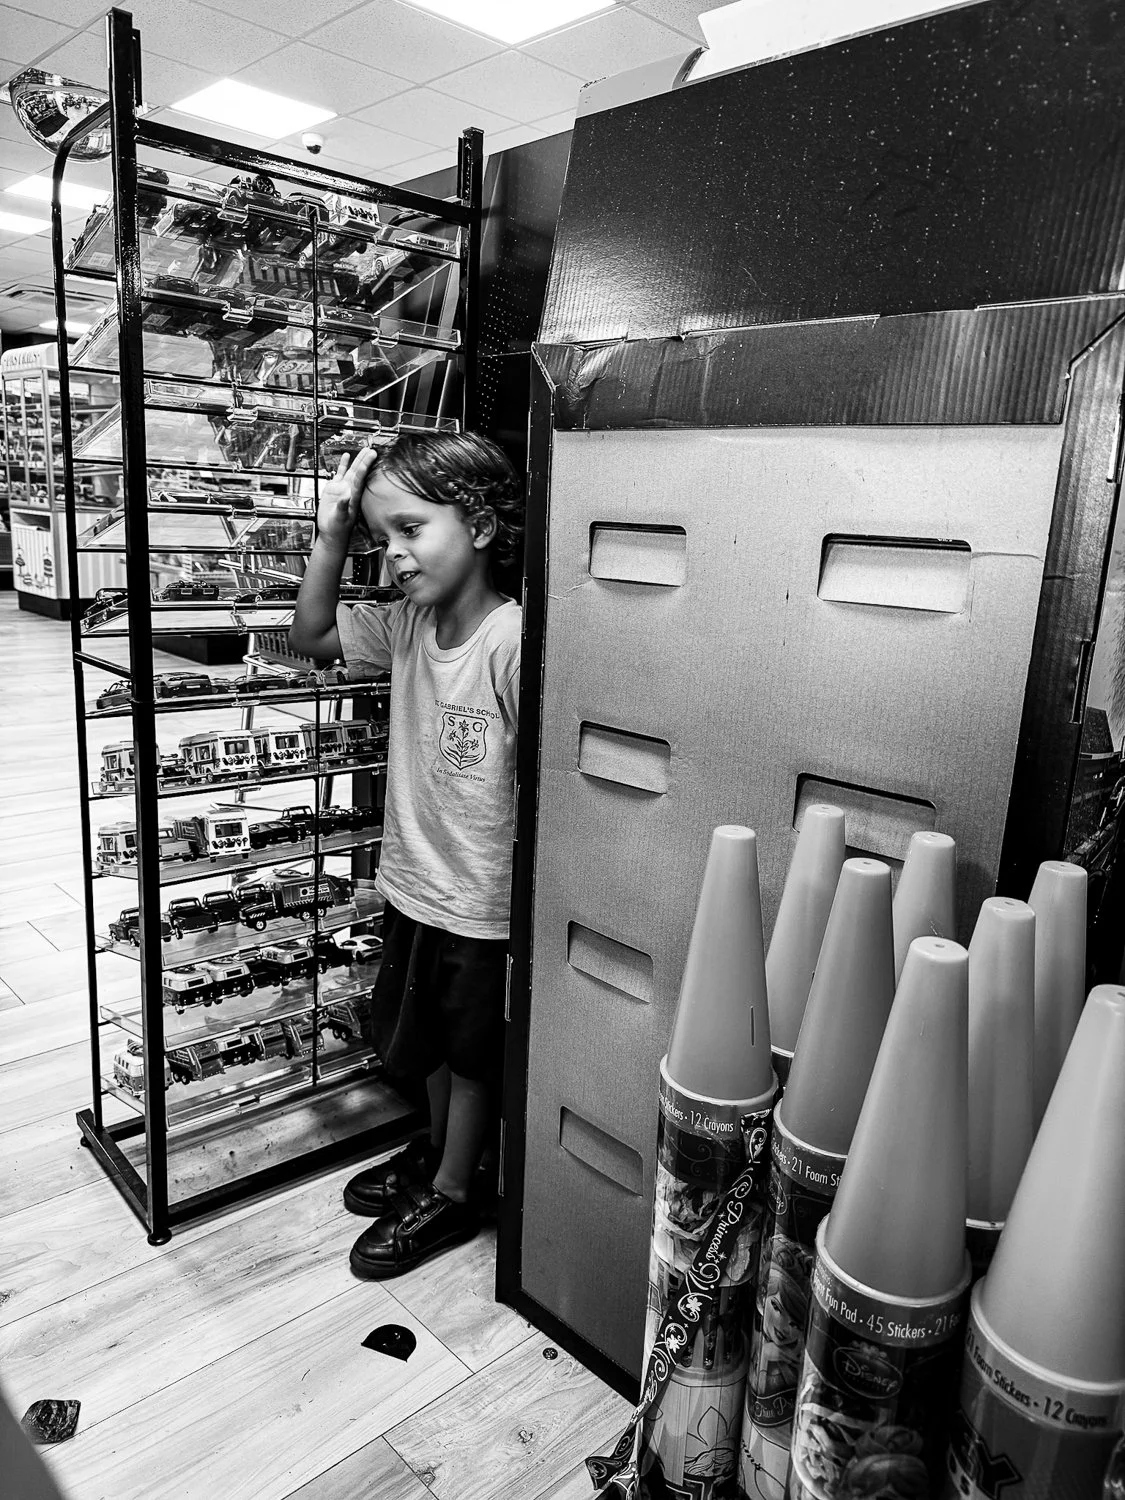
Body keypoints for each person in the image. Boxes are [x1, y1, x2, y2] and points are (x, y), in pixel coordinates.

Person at [289, 431, 523, 1279]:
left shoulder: (510, 641)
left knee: (469, 1056)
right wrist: (331, 530)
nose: (392, 556)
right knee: (418, 1040)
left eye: (411, 530)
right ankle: (434, 1156)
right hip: (413, 885)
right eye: (380, 538)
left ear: (484, 524)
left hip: (480, 904)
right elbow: (310, 633)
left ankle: (458, 1192)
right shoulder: (406, 625)